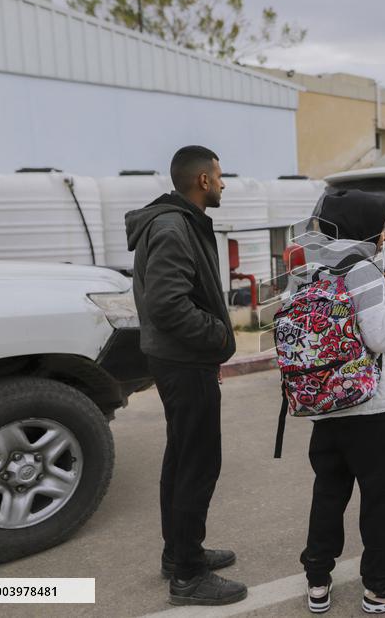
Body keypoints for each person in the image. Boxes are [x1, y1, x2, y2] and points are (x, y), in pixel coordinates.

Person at [295, 190, 385, 614]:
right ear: (366, 229)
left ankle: (317, 581)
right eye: (381, 226)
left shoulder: (309, 269)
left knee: (329, 492)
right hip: (369, 408)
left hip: (325, 403)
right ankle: (381, 587)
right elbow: (382, 337)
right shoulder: (364, 270)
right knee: (382, 498)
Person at [125, 146, 245, 606]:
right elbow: (168, 304)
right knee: (197, 464)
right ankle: (188, 577)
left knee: (181, 459)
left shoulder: (175, 221)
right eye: (219, 176)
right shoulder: (174, 226)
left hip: (178, 359)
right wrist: (216, 335)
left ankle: (180, 554)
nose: (223, 183)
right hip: (185, 361)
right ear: (202, 181)